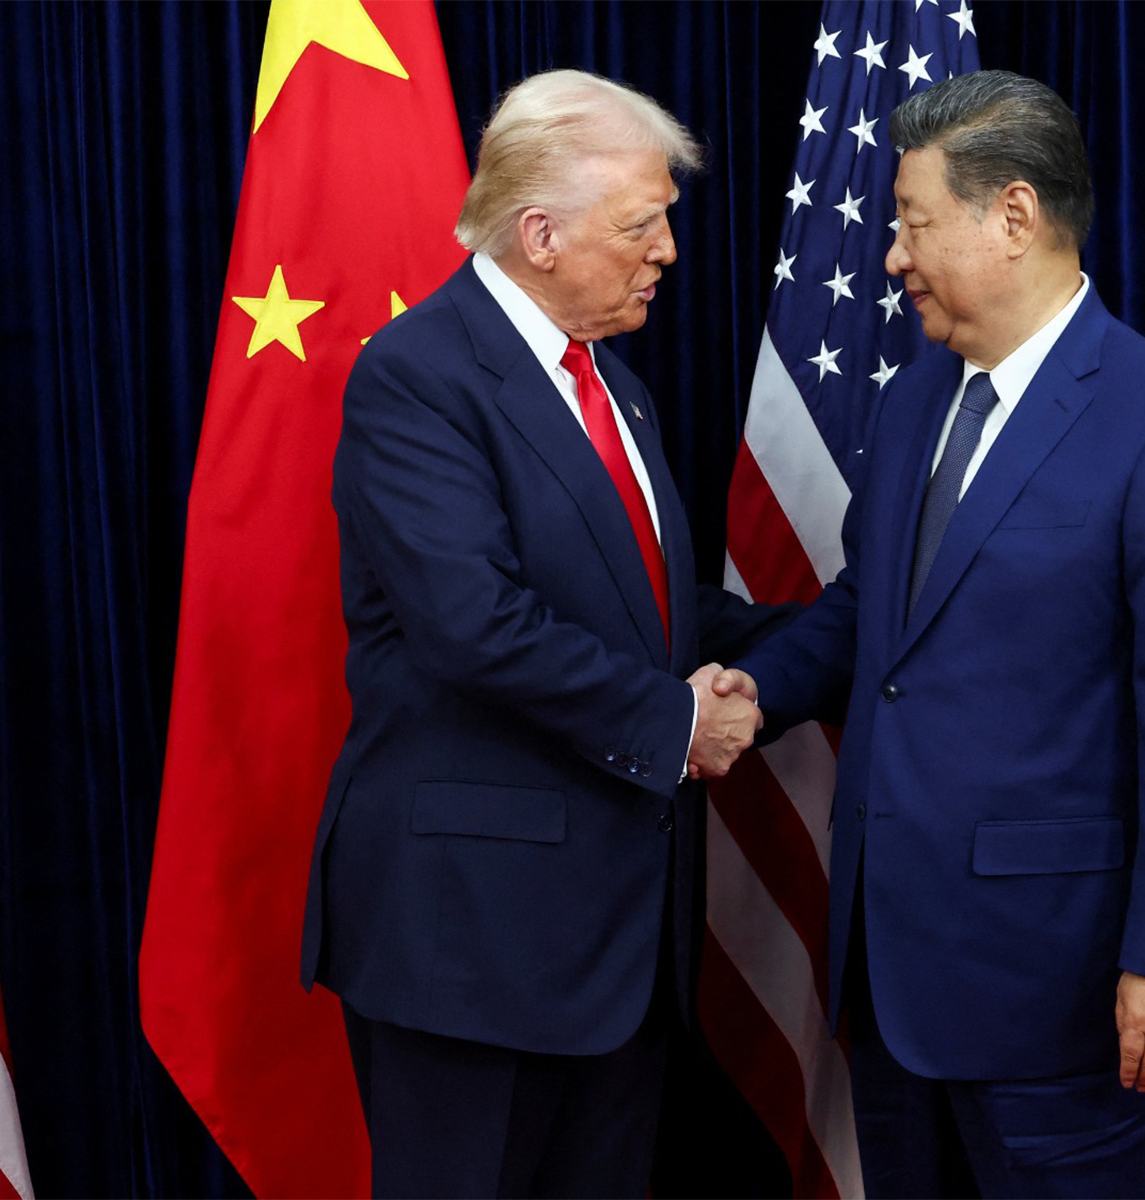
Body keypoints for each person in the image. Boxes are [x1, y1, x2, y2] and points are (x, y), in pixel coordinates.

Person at [716, 71, 1145, 1198]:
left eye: (912, 221)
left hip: (1058, 990)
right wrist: (755, 694)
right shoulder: (916, 397)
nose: (893, 257)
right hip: (886, 970)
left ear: (1010, 217)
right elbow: (875, 617)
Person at [299, 69, 785, 1198]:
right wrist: (679, 723)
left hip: (614, 947)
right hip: (468, 944)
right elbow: (476, 623)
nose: (667, 247)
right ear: (540, 233)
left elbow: (656, 617)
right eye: (642, 222)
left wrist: (849, 641)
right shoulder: (417, 376)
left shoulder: (613, 383)